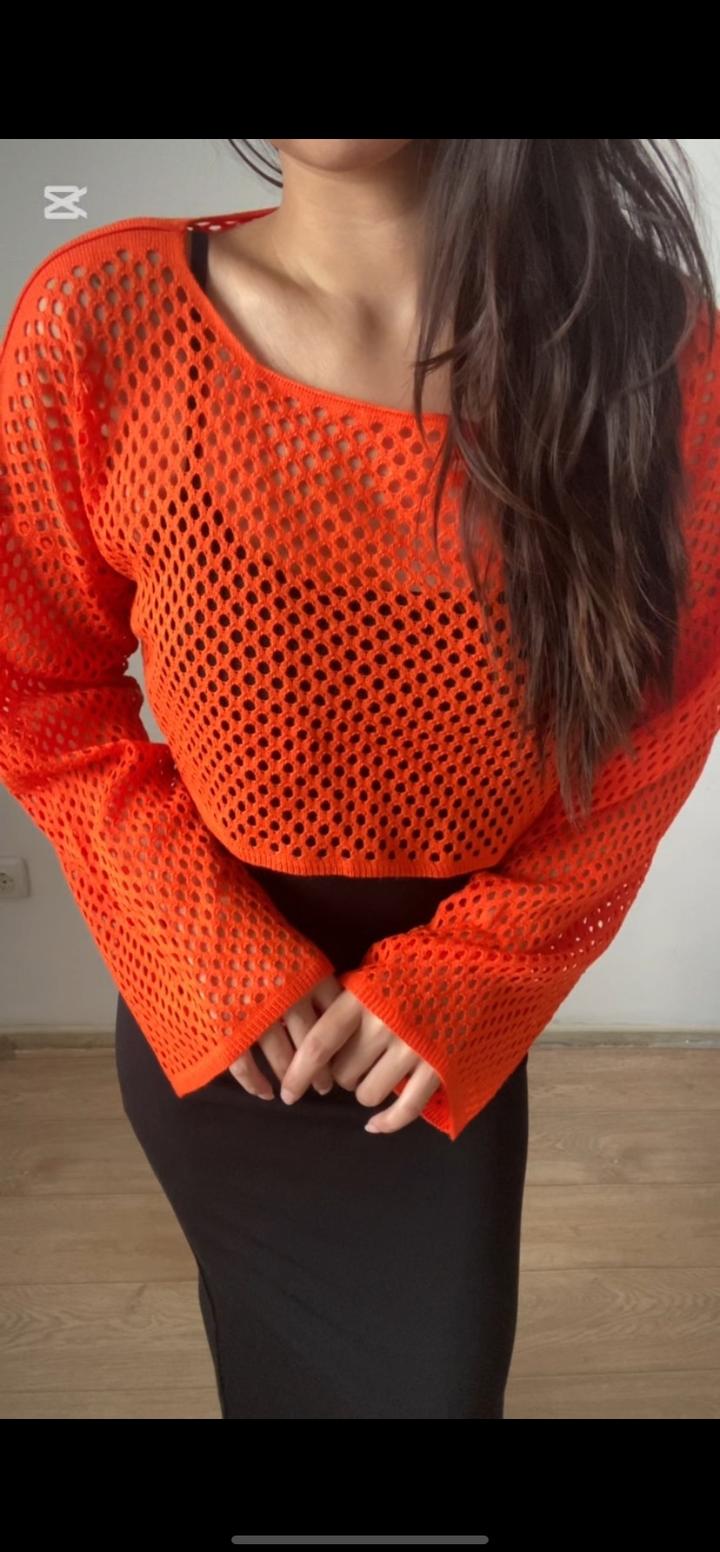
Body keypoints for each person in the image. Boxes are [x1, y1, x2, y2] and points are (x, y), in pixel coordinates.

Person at [1, 138, 718, 1420]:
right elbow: (38, 686)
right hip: (225, 1025)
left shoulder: (653, 349)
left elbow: (657, 729)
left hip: (442, 1040)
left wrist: (467, 977)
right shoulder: (101, 320)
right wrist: (207, 950)